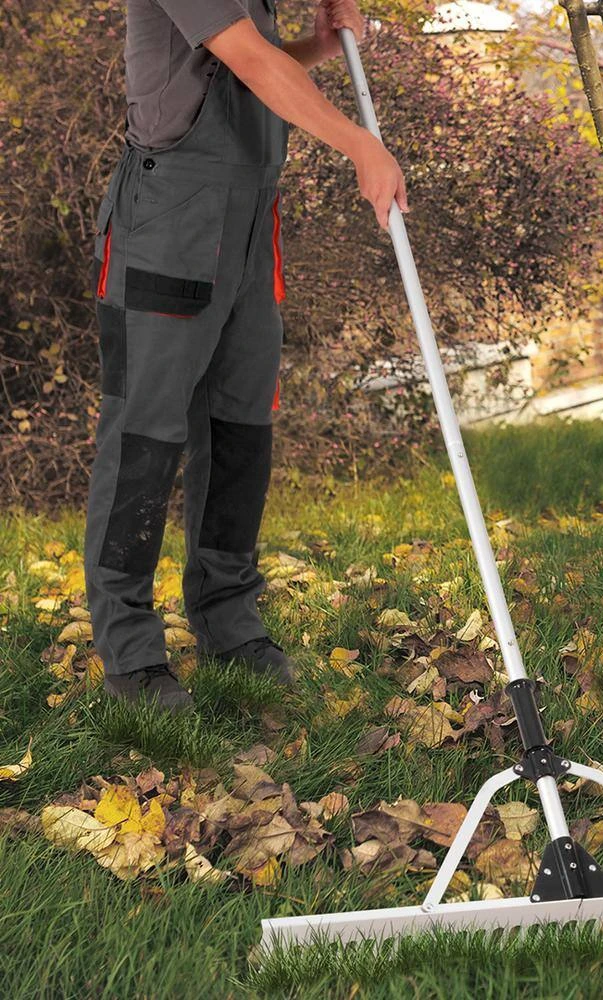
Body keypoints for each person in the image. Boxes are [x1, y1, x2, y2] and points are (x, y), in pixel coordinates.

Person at [85, 0, 408, 712]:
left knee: (240, 425)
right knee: (144, 434)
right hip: (169, 216)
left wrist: (317, 46)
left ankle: (227, 621)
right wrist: (360, 144)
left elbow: (245, 70)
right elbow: (250, 60)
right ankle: (131, 651)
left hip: (250, 220)